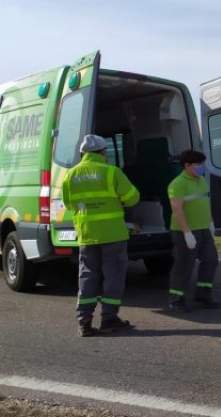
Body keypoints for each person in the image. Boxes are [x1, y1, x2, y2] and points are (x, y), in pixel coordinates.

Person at [62, 134, 140, 337]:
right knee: (113, 276)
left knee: (87, 275)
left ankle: (84, 321)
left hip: (87, 234)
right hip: (113, 234)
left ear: (83, 154)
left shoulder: (71, 175)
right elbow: (132, 198)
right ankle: (109, 318)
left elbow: (68, 204)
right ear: (103, 152)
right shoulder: (111, 172)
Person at [168, 149, 220, 311]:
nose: (201, 167)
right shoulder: (178, 184)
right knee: (183, 266)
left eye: (202, 164)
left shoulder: (202, 180)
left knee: (211, 260)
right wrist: (186, 232)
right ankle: (176, 299)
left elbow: (205, 202)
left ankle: (203, 294)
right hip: (186, 232)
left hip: (204, 229)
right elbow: (177, 210)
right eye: (198, 164)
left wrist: (210, 223)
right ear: (187, 165)